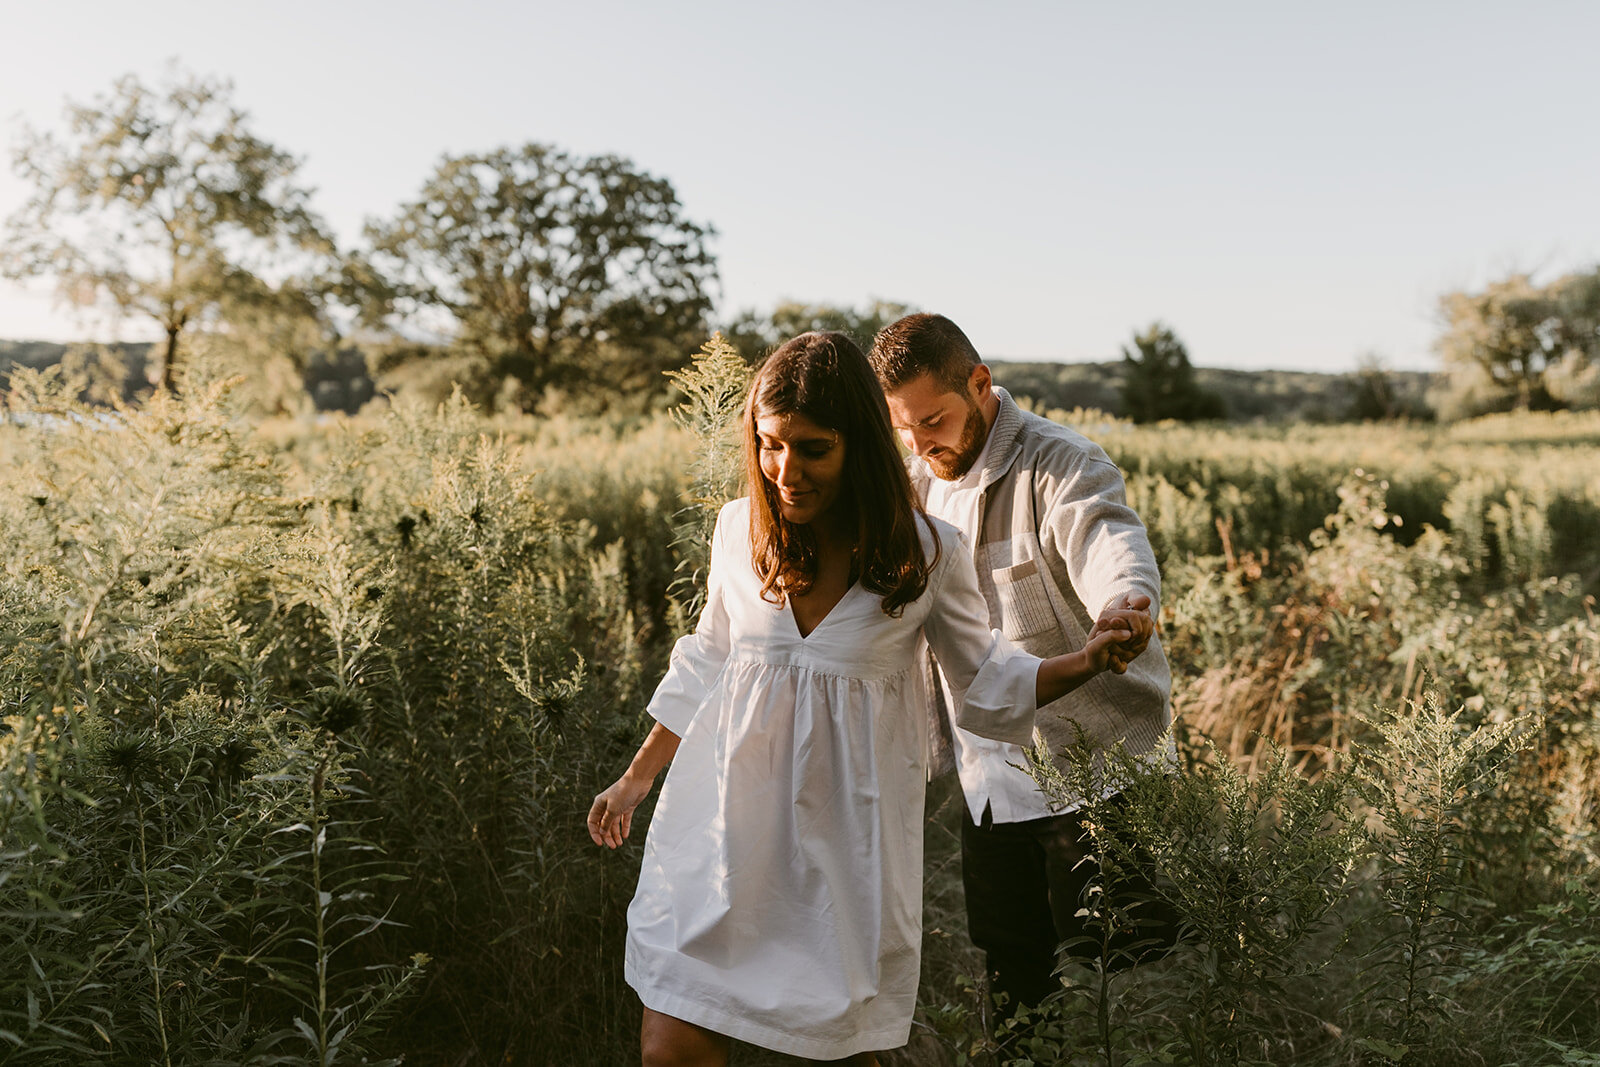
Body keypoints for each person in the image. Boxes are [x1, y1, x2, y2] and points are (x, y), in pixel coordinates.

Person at [587, 331, 1149, 1066]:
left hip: (840, 856)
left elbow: (986, 686)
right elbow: (705, 660)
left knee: (838, 1050)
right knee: (671, 1043)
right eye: (770, 444)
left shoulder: (925, 552)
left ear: (859, 442)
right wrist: (638, 774)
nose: (785, 470)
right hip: (724, 834)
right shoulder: (739, 530)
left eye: (813, 448)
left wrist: (1086, 659)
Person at [868, 313, 1176, 1028]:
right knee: (1013, 982)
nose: (920, 443)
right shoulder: (917, 481)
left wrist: (1125, 606)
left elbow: (1108, 536)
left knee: (1126, 982)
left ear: (980, 384)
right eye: (903, 429)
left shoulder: (1062, 462)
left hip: (1094, 776)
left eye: (934, 420)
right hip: (990, 784)